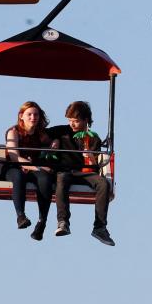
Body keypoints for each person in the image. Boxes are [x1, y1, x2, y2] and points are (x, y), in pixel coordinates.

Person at [53, 100, 115, 246]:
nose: (72, 124)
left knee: (103, 183)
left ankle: (100, 227)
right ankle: (63, 221)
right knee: (61, 178)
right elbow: (42, 133)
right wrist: (53, 141)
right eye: (70, 121)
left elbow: (93, 165)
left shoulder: (93, 138)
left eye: (75, 121)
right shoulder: (61, 131)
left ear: (85, 120)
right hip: (66, 171)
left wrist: (89, 155)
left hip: (84, 173)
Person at [3, 101, 57, 241]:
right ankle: (20, 215)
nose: (33, 117)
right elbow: (14, 156)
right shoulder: (14, 132)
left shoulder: (40, 134)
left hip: (33, 168)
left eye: (36, 115)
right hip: (14, 166)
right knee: (18, 176)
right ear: (21, 116)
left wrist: (54, 143)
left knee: (45, 179)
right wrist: (35, 167)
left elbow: (51, 142)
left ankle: (42, 222)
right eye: (29, 114)